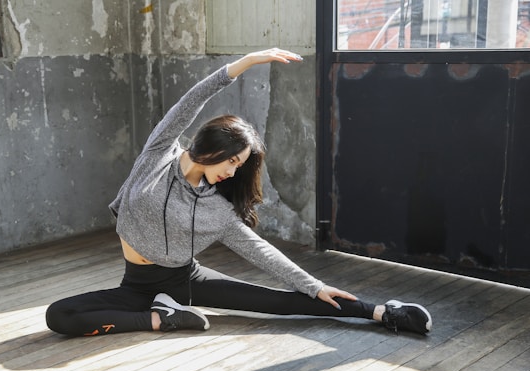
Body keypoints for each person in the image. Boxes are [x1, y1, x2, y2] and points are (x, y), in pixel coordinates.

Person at [46, 48, 432, 337]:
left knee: (280, 303)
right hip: (138, 286)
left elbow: (260, 251)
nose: (233, 172)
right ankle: (160, 319)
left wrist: (313, 285)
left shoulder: (218, 209)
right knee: (58, 316)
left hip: (185, 280)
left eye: (239, 168)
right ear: (214, 148)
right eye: (232, 162)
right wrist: (243, 64)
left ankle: (382, 312)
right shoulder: (158, 154)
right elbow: (189, 103)